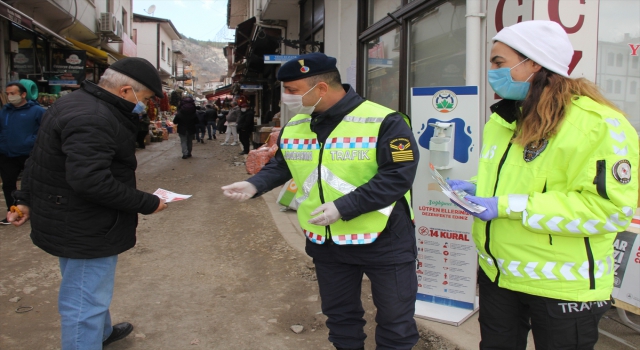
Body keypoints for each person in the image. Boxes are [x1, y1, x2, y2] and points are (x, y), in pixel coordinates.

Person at [446, 21, 638, 350]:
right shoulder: (504, 119)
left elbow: (610, 211)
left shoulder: (600, 125)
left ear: (533, 63)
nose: (492, 71)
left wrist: (507, 206)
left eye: (498, 62)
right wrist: (479, 188)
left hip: (562, 289)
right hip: (499, 277)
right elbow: (524, 178)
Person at [221, 53, 420, 350]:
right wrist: (253, 185)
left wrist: (344, 207)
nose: (287, 97)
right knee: (340, 318)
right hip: (327, 241)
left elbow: (397, 176)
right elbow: (283, 165)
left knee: (396, 321)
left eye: (293, 90)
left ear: (322, 89)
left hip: (384, 238)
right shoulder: (297, 125)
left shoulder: (386, 122)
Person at [7, 57, 169, 349]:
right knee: (83, 302)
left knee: (87, 289)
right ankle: (87, 340)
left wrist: (24, 200)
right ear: (124, 91)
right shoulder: (94, 117)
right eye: (143, 98)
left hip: (66, 216)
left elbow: (39, 159)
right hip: (84, 224)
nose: (142, 105)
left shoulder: (71, 103)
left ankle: (101, 333)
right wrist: (147, 202)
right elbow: (91, 181)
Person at [0, 82, 45, 224]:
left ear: (23, 94)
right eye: (7, 94)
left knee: (33, 183)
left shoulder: (37, 111)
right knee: (8, 184)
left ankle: (34, 210)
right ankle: (13, 211)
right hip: (7, 154)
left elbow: (45, 131)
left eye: (13, 93)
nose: (9, 96)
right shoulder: (5, 111)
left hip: (28, 154)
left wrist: (30, 142)